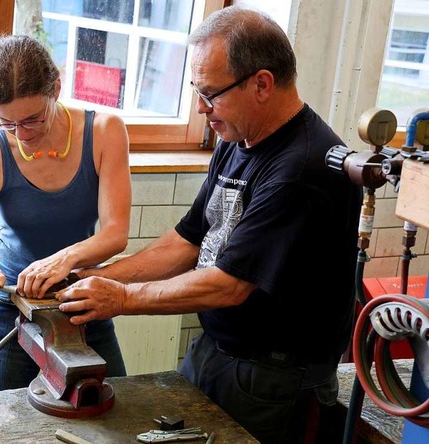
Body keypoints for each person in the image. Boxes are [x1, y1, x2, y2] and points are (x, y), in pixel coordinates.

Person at [57, 6, 362, 444]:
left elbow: (229, 285)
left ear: (262, 83)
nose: (201, 109)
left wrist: (120, 297)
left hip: (273, 378)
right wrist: (94, 279)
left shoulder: (302, 168)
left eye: (211, 93)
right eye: (196, 91)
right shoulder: (239, 136)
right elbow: (188, 239)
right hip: (215, 350)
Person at [0, 34, 131, 392]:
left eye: (33, 120)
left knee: (114, 410)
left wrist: (62, 261)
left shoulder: (104, 131)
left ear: (56, 87)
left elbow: (116, 233)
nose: (22, 135)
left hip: (80, 296)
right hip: (10, 302)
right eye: (8, 123)